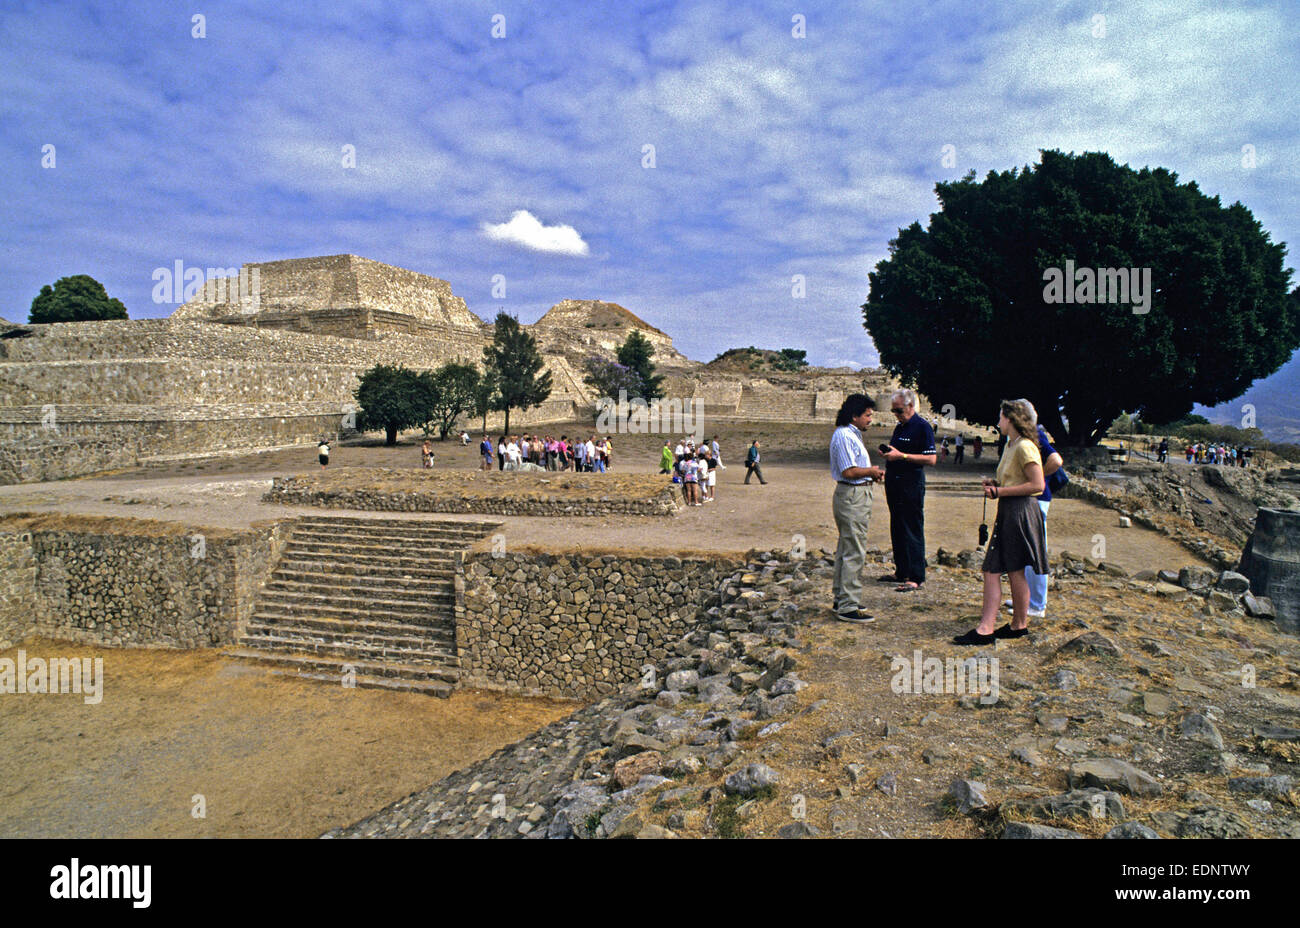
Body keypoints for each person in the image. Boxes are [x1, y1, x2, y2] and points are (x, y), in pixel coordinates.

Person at [954, 399, 1048, 645]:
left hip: (1019, 512)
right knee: (1014, 570)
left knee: (992, 569)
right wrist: (996, 486)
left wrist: (1000, 492)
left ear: (1012, 418)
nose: (998, 422)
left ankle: (986, 629)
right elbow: (1015, 480)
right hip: (1011, 510)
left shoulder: (1024, 447)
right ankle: (1018, 625)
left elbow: (1038, 486)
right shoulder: (1012, 445)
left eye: (1001, 417)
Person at [830, 394, 887, 622]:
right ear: (854, 416)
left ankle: (842, 598)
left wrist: (869, 473)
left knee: (846, 547)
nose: (870, 420)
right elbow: (849, 471)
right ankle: (847, 605)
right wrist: (871, 471)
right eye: (867, 415)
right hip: (852, 495)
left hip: (855, 494)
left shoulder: (850, 435)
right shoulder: (845, 436)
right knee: (854, 549)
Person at [1003, 414, 1062, 622]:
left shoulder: (1034, 434)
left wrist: (1039, 479)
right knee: (1025, 552)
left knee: (1035, 551)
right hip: (1031, 499)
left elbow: (1055, 460)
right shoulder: (1019, 437)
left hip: (1036, 499)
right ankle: (1026, 600)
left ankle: (1037, 604)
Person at [879, 389, 936, 592]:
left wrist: (902, 456)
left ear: (911, 406)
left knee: (912, 527)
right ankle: (901, 571)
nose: (896, 414)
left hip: (911, 483)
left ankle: (916, 576)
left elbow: (931, 459)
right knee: (897, 526)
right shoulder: (900, 427)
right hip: (894, 482)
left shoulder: (922, 427)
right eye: (893, 411)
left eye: (899, 410)